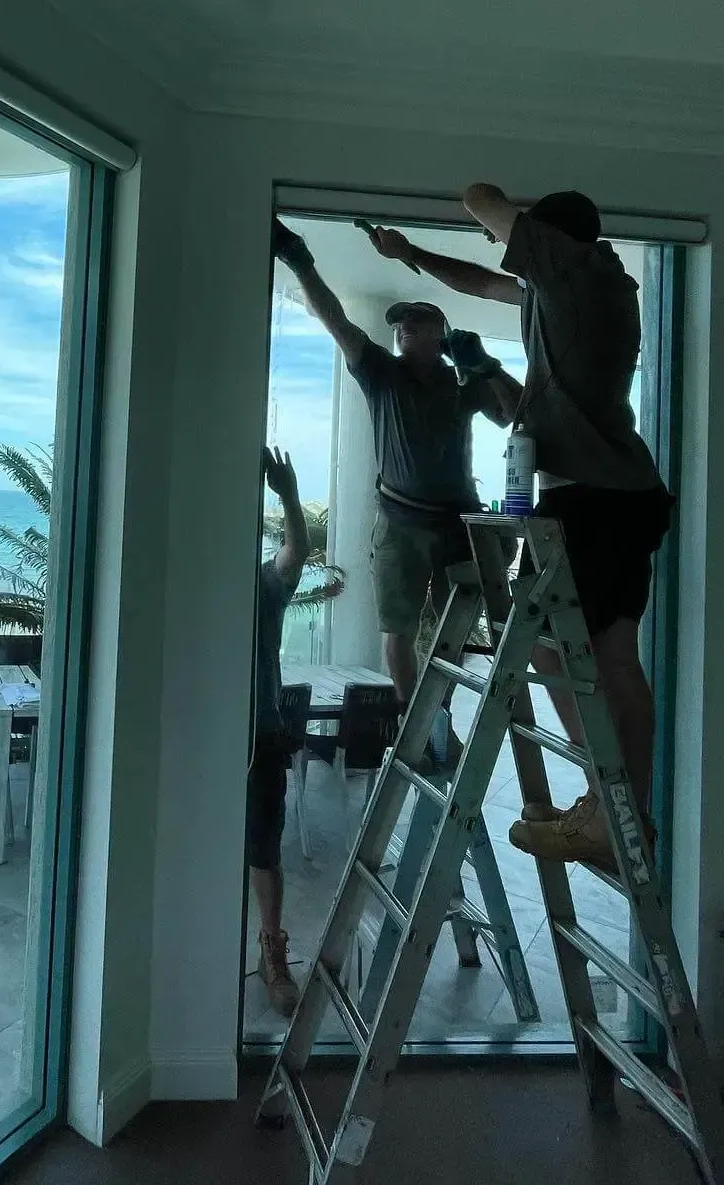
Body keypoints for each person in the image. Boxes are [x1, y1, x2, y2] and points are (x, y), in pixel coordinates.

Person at [371, 186, 673, 871]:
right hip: (625, 494)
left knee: (545, 648)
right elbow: (482, 281)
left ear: (548, 240)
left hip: (586, 501)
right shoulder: (586, 289)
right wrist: (411, 252)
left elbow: (479, 196)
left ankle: (605, 805)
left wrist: (516, 208)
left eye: (525, 240)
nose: (505, 249)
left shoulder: (571, 275)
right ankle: (627, 814)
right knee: (617, 657)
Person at [272, 217, 522, 762]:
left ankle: (444, 719)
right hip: (402, 522)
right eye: (401, 324)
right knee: (399, 630)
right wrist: (298, 260)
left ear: (441, 335)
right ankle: (416, 722)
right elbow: (335, 319)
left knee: (454, 631)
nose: (404, 327)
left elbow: (518, 413)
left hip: (460, 522)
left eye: (417, 321)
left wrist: (484, 364)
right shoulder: (380, 373)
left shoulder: (466, 386)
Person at [251, 446, 308, 1016]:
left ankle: (272, 951)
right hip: (206, 738)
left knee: (264, 851)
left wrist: (288, 495)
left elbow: (296, 554)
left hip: (262, 738)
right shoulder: (197, 586)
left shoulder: (264, 586)